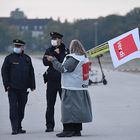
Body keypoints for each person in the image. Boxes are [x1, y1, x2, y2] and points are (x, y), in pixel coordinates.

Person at [46, 39, 92, 137]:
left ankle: (68, 129)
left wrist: (53, 60)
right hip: (80, 87)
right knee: (77, 109)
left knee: (68, 109)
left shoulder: (74, 58)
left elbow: (63, 68)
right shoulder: (84, 58)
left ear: (72, 47)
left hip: (71, 87)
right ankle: (77, 130)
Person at [1, 39, 36, 135]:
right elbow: (4, 72)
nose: (16, 48)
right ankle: (14, 128)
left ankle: (19, 126)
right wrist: (6, 85)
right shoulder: (9, 58)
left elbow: (31, 73)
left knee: (21, 109)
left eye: (19, 46)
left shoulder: (27, 59)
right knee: (13, 108)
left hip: (23, 88)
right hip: (12, 88)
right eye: (15, 46)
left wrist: (32, 85)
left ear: (23, 47)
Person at [43, 32, 68, 132]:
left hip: (63, 81)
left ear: (60, 40)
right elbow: (45, 62)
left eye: (55, 38)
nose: (53, 40)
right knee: (50, 105)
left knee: (66, 104)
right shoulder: (49, 50)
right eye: (52, 38)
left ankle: (67, 125)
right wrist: (54, 54)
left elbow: (66, 64)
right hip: (52, 81)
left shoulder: (66, 51)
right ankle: (49, 125)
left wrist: (57, 54)